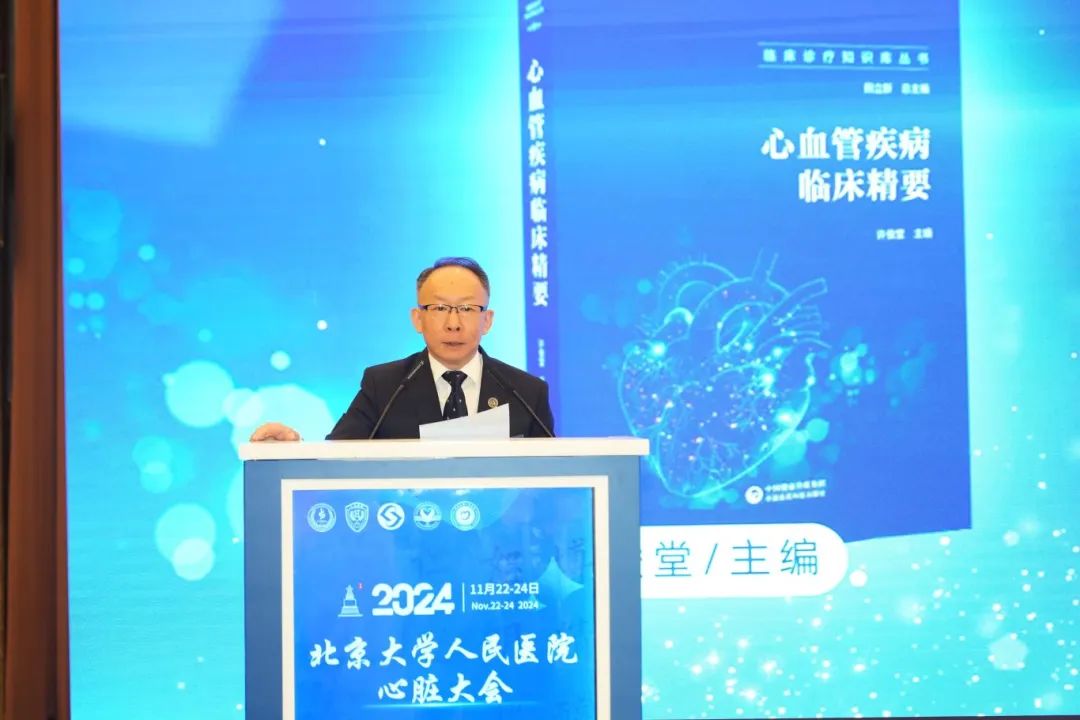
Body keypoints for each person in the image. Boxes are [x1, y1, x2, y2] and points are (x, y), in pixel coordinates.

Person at [250, 257, 555, 441]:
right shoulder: (384, 386)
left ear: (487, 320)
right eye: (439, 308)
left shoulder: (526, 393)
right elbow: (338, 459)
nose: (453, 324)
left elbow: (552, 480)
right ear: (418, 319)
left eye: (466, 309)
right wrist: (292, 448)